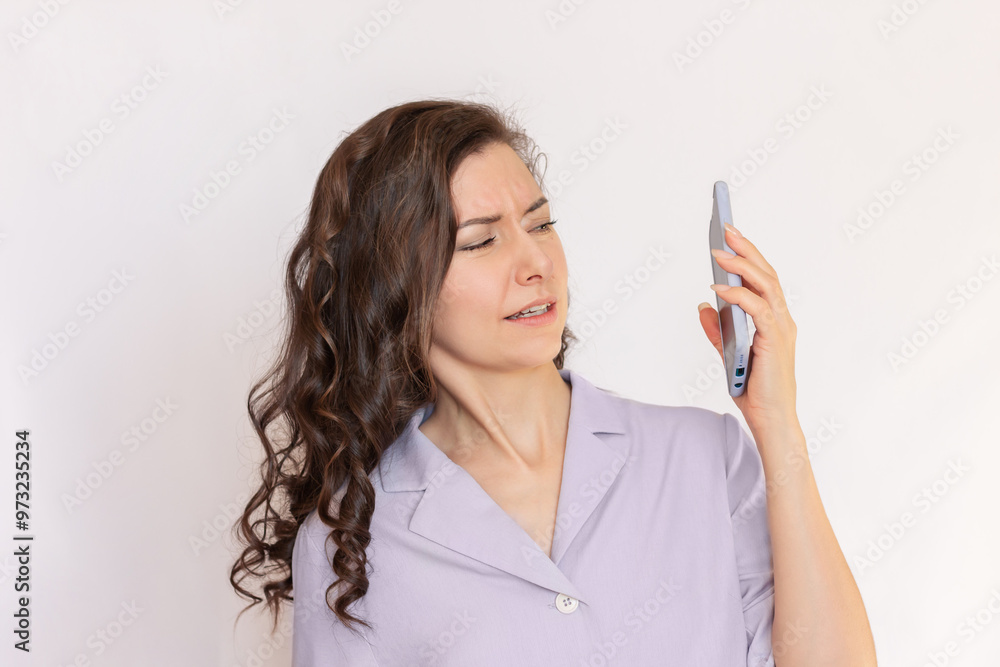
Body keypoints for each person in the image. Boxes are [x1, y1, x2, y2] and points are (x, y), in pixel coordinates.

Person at [230, 99, 878, 666]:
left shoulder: (704, 456)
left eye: (540, 224)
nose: (536, 261)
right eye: (481, 242)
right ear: (394, 284)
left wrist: (776, 422)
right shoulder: (350, 539)